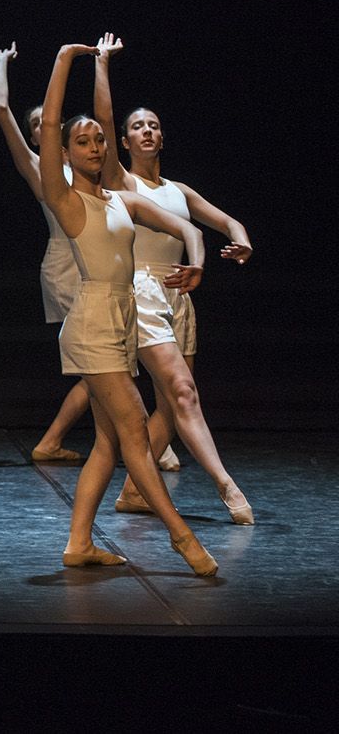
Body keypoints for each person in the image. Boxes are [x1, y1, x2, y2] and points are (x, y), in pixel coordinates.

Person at [38, 42, 216, 574]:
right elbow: (49, 124)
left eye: (98, 140)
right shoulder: (67, 199)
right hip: (92, 322)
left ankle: (78, 544)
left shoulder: (121, 199)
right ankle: (182, 539)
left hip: (123, 320)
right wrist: (66, 61)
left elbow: (184, 225)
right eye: (82, 141)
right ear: (67, 154)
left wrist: (199, 261)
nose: (93, 147)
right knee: (137, 432)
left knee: (108, 444)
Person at [94, 38, 254, 524]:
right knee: (183, 393)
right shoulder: (122, 182)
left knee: (170, 402)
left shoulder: (179, 191)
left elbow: (229, 223)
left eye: (154, 126)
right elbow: (102, 119)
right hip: (140, 292)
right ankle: (227, 486)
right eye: (137, 126)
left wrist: (242, 240)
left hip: (180, 295)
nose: (146, 131)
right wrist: (101, 65)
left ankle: (133, 492)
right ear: (123, 141)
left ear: (163, 138)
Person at [0, 43, 91, 462]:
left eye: (46, 121)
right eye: (35, 124)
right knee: (99, 364)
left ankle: (130, 439)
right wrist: (0, 63)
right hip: (66, 265)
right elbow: (0, 107)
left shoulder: (88, 161)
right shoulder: (37, 167)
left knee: (111, 360)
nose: (41, 126)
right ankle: (53, 440)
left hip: (98, 263)